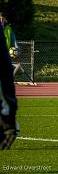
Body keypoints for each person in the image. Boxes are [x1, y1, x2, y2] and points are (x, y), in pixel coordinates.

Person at [0, 12, 18, 150]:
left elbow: (14, 43)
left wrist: (14, 50)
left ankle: (9, 122)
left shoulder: (7, 29)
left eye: (2, 17)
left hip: (4, 60)